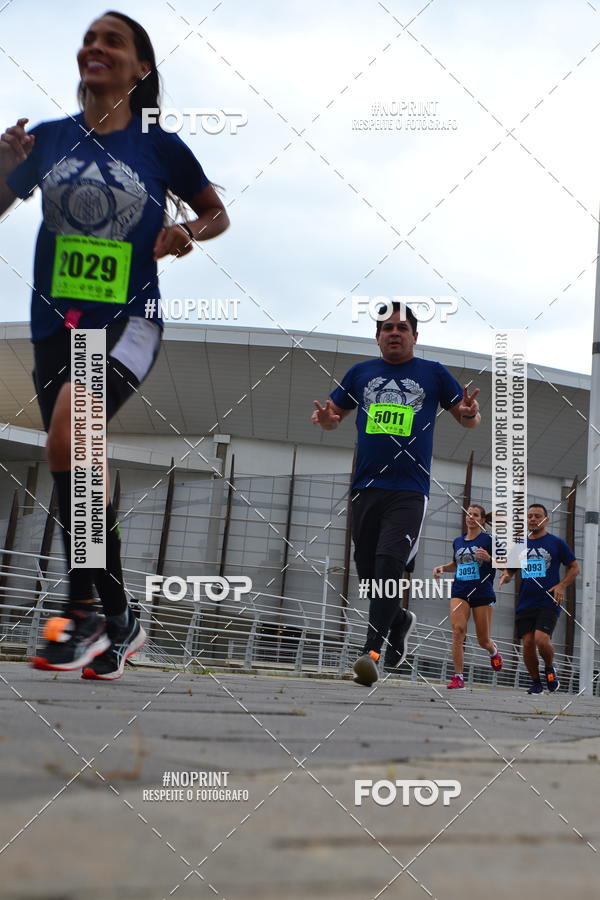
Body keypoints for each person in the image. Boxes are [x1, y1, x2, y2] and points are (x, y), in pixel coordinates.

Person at [0, 11, 229, 678]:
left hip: (129, 320)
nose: (94, 47)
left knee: (73, 429)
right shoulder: (45, 138)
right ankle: (120, 614)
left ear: (141, 69)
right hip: (53, 324)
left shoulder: (160, 147)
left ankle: (80, 613)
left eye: (113, 41)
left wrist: (188, 230)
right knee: (76, 461)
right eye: (90, 38)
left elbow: (217, 213)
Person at [312, 302, 481, 686]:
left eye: (402, 327)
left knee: (390, 564)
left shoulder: (433, 374)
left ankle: (371, 653)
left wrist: (471, 412)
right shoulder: (360, 373)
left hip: (409, 490)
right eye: (387, 327)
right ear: (377, 337)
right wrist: (327, 420)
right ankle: (400, 620)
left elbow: (468, 419)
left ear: (415, 337)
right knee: (369, 575)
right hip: (366, 488)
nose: (394, 332)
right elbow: (333, 418)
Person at [499, 504, 579, 694]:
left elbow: (574, 567)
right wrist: (506, 576)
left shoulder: (556, 543)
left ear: (546, 520)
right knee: (527, 643)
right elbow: (510, 569)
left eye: (537, 516)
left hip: (548, 600)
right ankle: (536, 682)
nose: (533, 519)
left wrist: (561, 585)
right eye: (530, 516)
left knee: (541, 640)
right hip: (526, 602)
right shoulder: (519, 545)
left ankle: (550, 668)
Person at [433, 504, 502, 689]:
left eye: (475, 515)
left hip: (482, 592)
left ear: (482, 520)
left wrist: (489, 559)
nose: (470, 517)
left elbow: (507, 566)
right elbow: (456, 564)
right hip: (460, 591)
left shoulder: (490, 539)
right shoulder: (458, 541)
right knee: (458, 631)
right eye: (468, 514)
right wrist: (442, 568)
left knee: (483, 640)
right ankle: (458, 677)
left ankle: (493, 651)